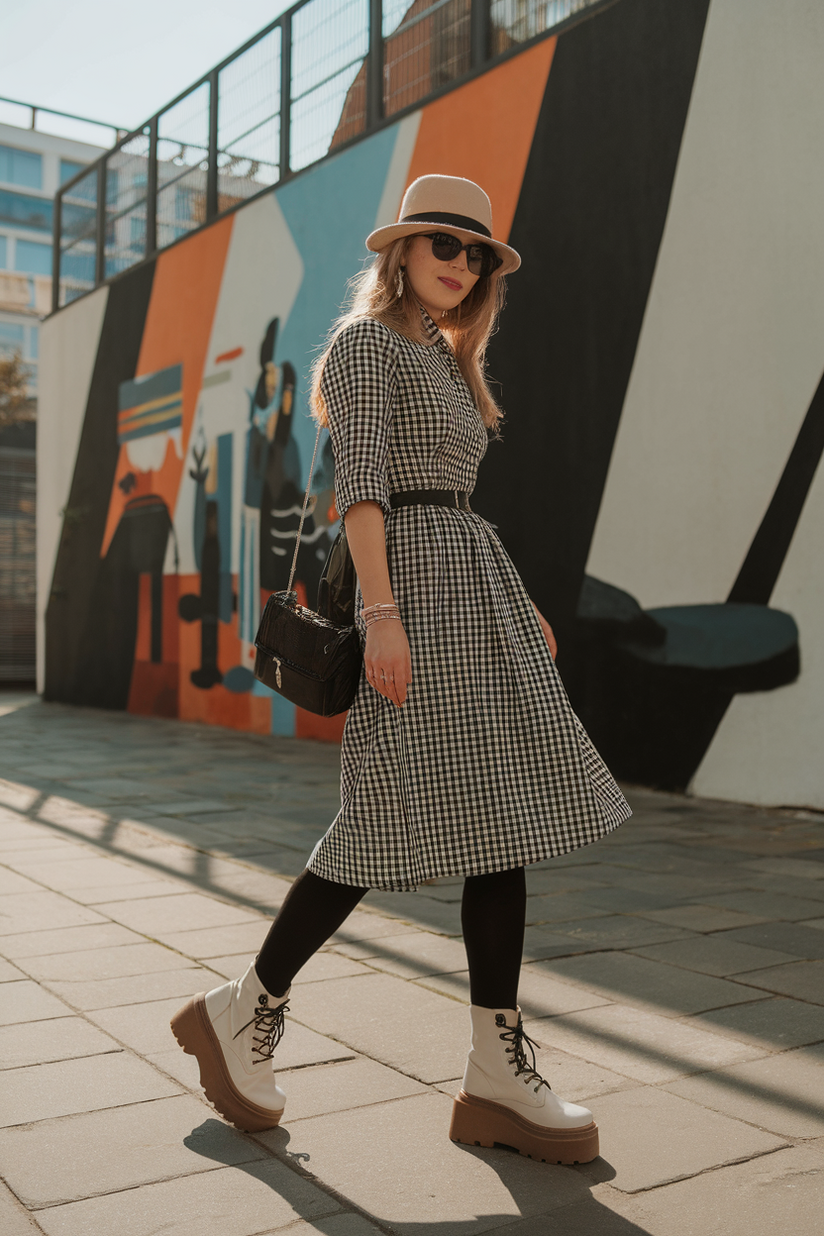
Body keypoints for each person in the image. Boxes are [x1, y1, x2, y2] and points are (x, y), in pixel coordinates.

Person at [171, 175, 631, 1165]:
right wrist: (381, 616)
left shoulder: (448, 358)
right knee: (378, 815)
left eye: (474, 254)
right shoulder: (367, 344)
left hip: (468, 590)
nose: (460, 266)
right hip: (410, 600)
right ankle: (245, 1005)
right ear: (402, 253)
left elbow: (452, 501)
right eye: (443, 247)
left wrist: (515, 604)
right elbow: (367, 488)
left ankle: (492, 1069)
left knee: (501, 815)